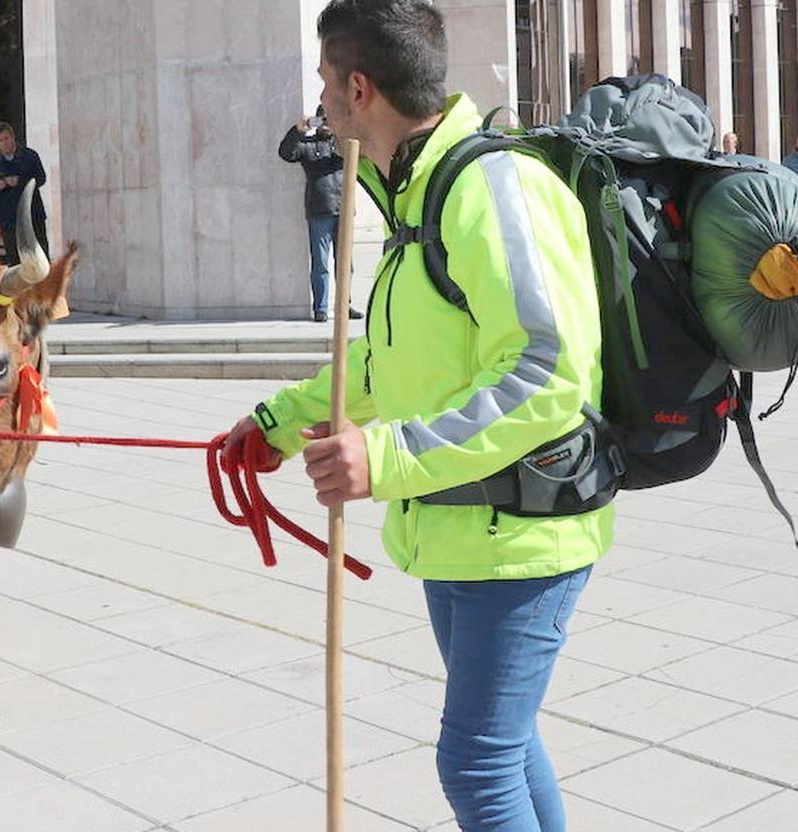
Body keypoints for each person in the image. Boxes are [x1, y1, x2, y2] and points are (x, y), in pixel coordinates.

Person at [224, 2, 606, 829]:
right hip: (461, 528)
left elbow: (548, 373)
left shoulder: (491, 187)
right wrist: (279, 421)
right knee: (506, 747)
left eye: (325, 81)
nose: (320, 100)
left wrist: (387, 460)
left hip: (525, 532)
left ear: (359, 88)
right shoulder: (414, 197)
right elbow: (387, 360)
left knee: (476, 762)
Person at [279, 105, 364, 323]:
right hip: (320, 210)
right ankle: (321, 308)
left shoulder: (342, 144)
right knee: (321, 263)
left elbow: (363, 152)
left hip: (343, 208)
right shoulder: (308, 145)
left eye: (330, 119)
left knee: (346, 263)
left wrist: (343, 128)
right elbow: (286, 153)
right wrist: (297, 130)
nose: (326, 123)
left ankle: (345, 305)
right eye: (323, 119)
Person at [0, 121, 49, 264]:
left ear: (13, 138)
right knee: (15, 262)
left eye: (6, 139)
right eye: (0, 140)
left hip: (33, 216)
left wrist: (21, 181)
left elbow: (41, 178)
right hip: (9, 220)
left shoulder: (29, 156)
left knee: (40, 258)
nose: (4, 143)